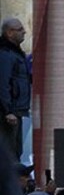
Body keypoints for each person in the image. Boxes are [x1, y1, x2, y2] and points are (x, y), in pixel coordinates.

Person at [0, 17, 31, 160]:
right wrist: (8, 111)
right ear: (9, 33)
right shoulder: (5, 54)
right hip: (8, 113)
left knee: (16, 150)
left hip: (16, 110)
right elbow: (3, 83)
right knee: (10, 152)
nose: (24, 32)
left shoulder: (16, 53)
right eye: (20, 29)